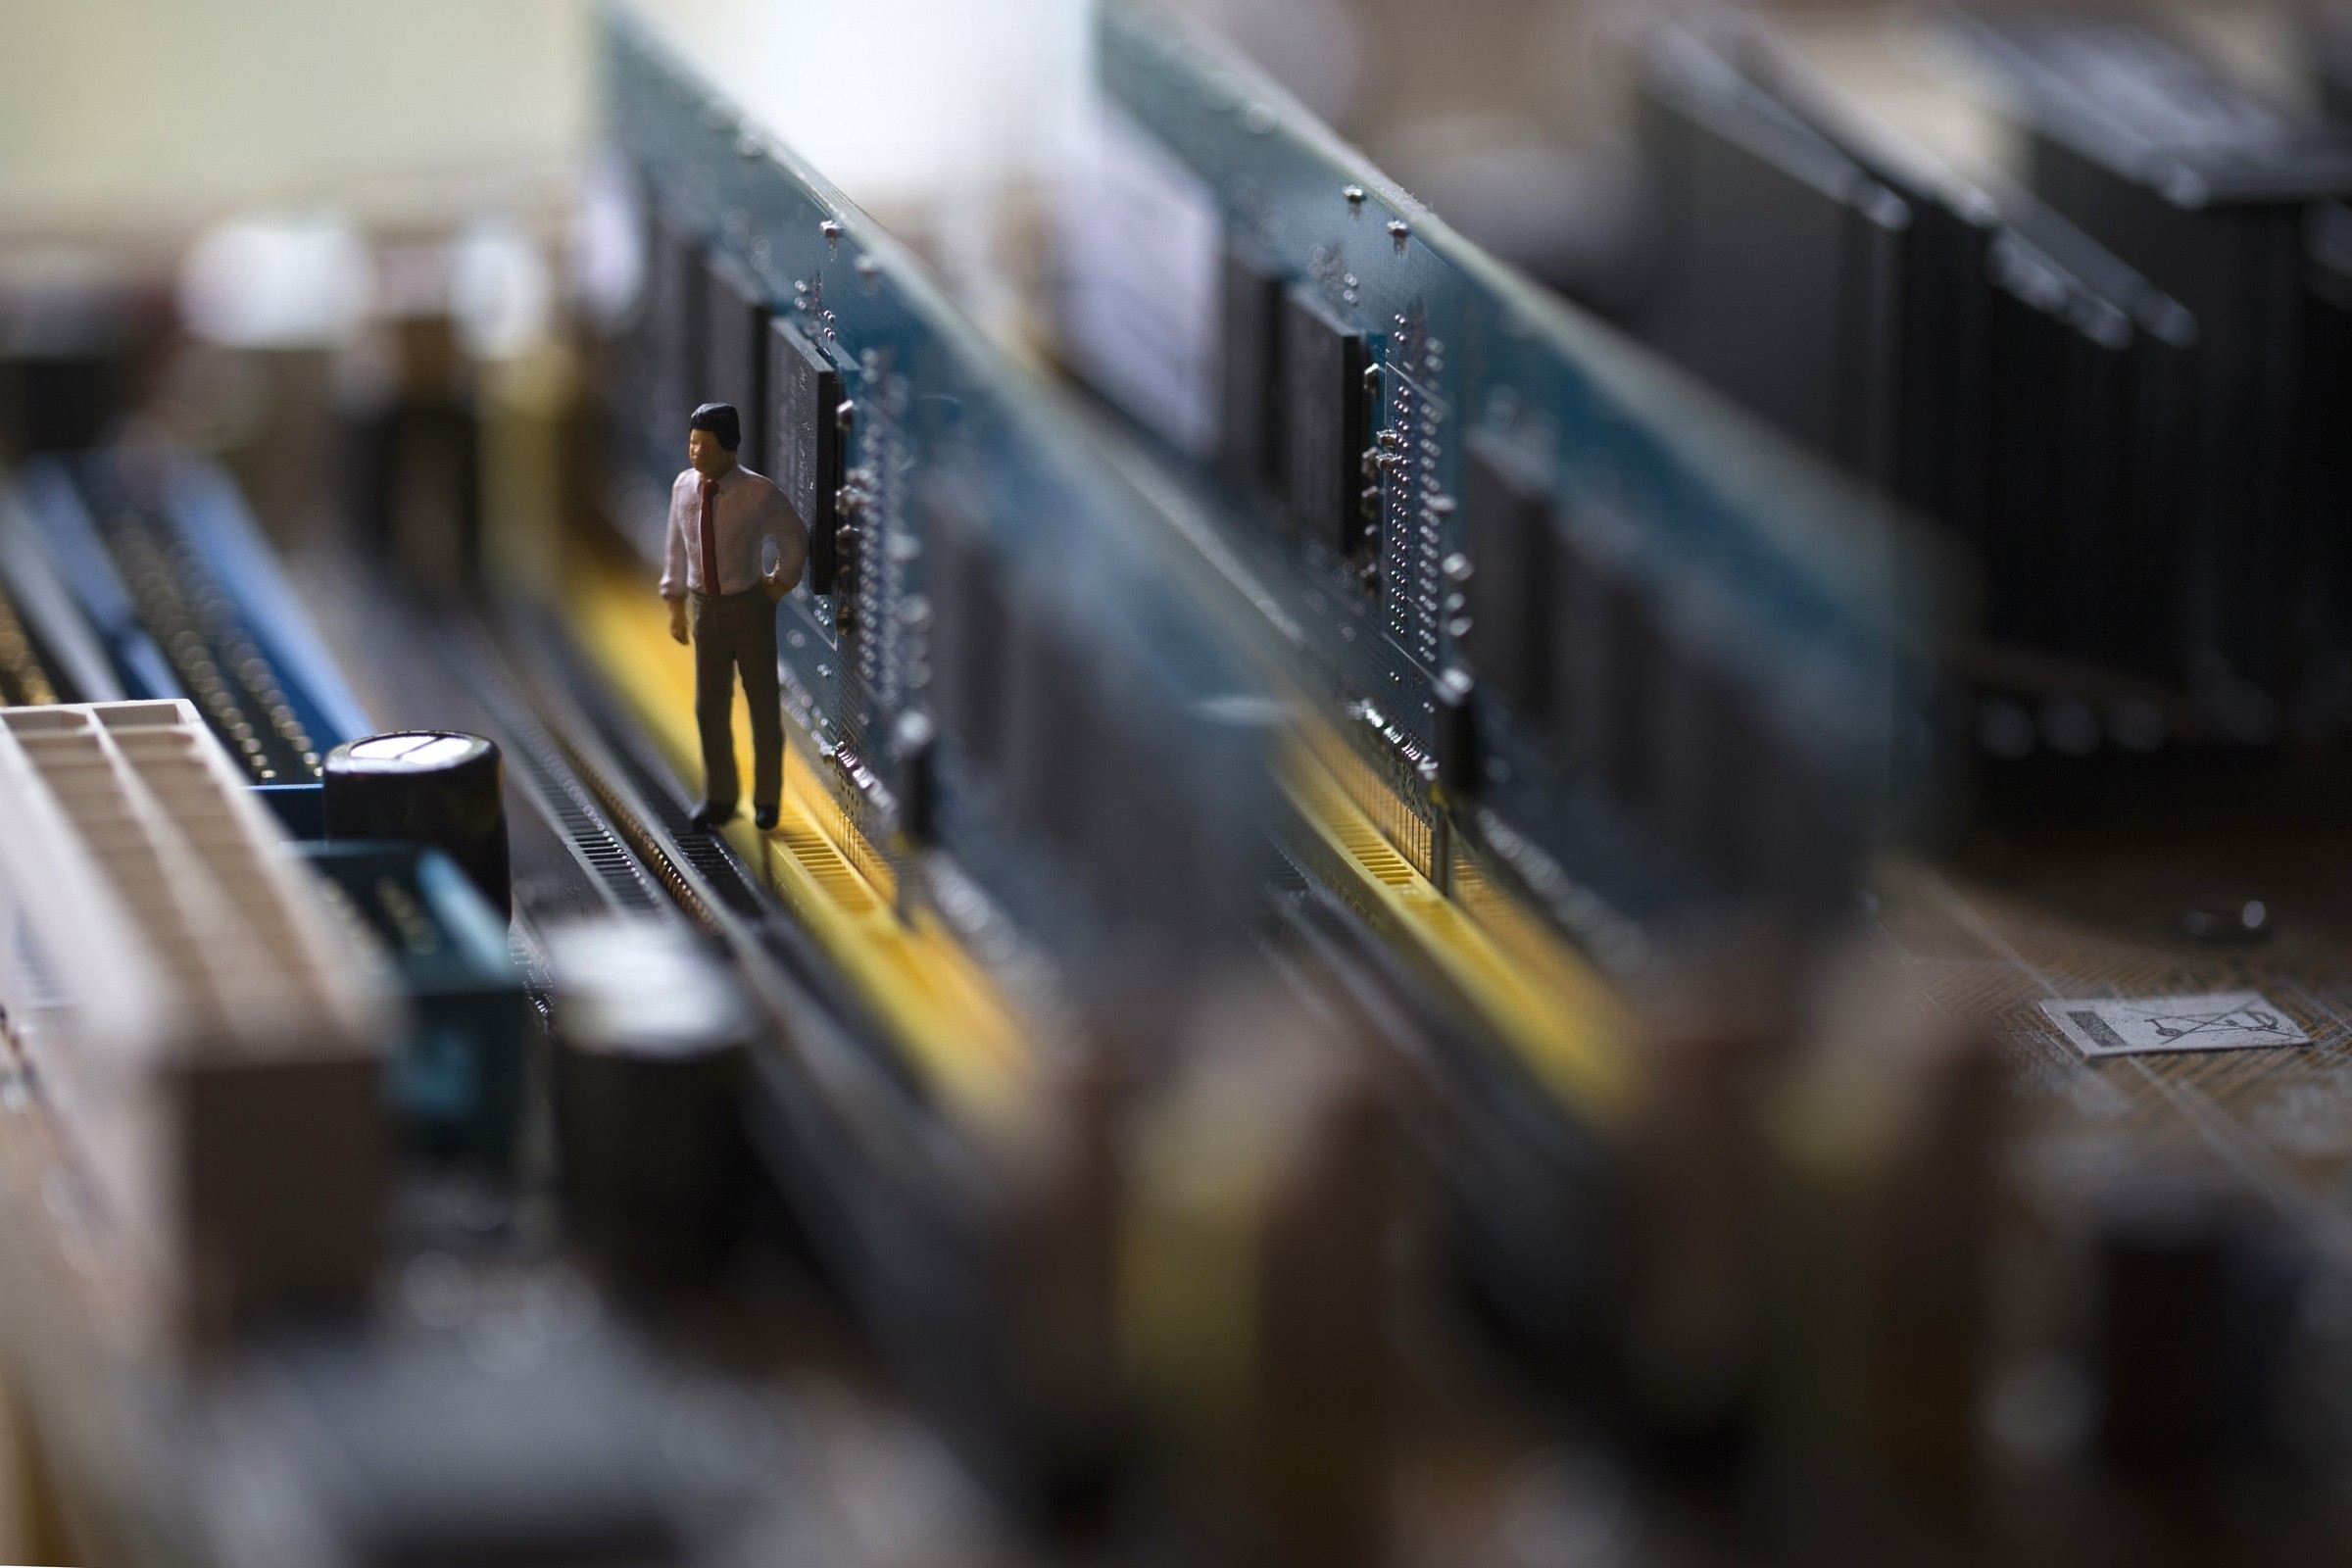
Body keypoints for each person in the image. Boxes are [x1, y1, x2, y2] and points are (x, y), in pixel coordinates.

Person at [659, 402, 808, 830]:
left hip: (749, 606)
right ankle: (720, 796)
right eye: (692, 443)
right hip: (704, 609)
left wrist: (779, 584)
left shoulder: (758, 492)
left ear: (730, 446)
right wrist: (674, 604)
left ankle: (767, 800)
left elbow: (794, 538)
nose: (696, 453)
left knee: (762, 706)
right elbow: (674, 548)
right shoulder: (683, 488)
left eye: (704, 445)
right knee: (709, 707)